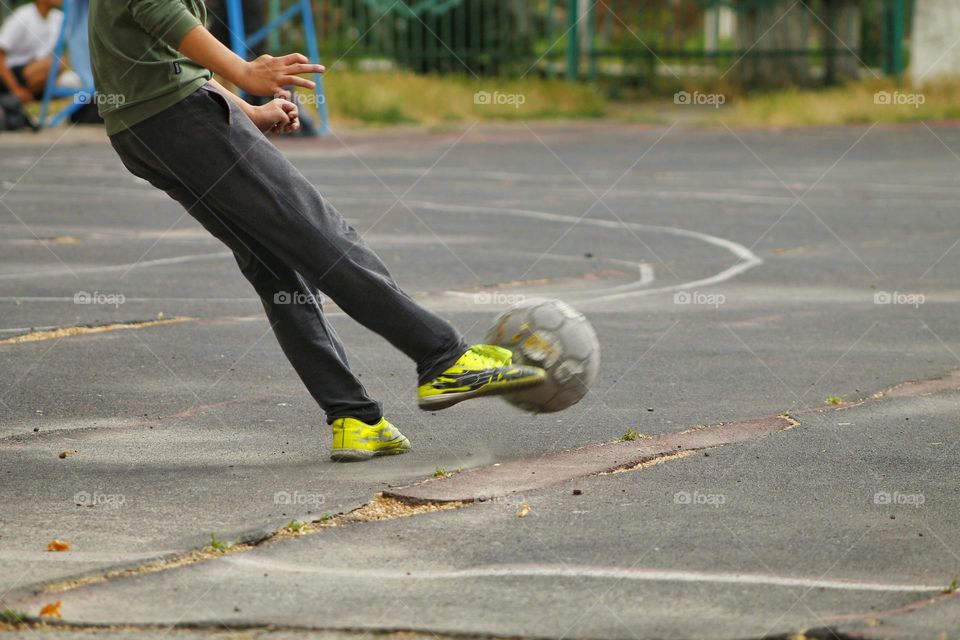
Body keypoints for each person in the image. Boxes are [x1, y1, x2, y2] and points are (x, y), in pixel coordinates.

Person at [88, 1, 546, 462]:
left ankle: (354, 418)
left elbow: (166, 65)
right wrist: (246, 72)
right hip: (185, 122)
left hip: (142, 130)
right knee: (320, 234)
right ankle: (443, 358)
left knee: (274, 265)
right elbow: (157, 11)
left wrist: (248, 109)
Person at [0, 0, 63, 104]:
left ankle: (34, 96)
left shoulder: (59, 18)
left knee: (62, 65)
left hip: (38, 67)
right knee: (55, 63)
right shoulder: (22, 16)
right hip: (14, 71)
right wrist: (15, 88)